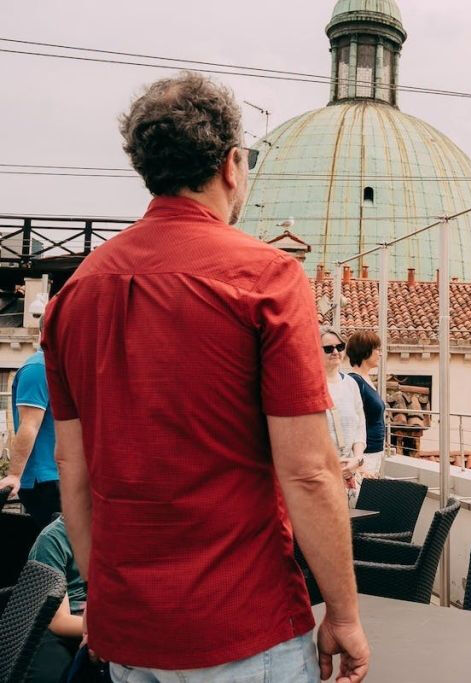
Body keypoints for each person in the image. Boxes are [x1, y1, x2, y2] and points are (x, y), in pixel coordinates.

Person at [41, 72, 369, 683]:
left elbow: (73, 465)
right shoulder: (267, 279)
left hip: (128, 633)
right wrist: (344, 613)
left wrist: (108, 607)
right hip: (244, 624)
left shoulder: (74, 296)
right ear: (232, 165)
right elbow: (307, 469)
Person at [0, 343, 60, 528]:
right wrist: (14, 475)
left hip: (63, 476)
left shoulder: (61, 367)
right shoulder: (38, 368)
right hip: (45, 481)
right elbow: (29, 425)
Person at [24, 515, 89, 683]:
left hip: (100, 623)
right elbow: (59, 622)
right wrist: (104, 630)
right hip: (59, 627)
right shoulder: (52, 540)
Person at [322, 328, 365, 498]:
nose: (335, 352)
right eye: (328, 349)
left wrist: (357, 458)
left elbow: (360, 425)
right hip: (323, 473)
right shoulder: (310, 386)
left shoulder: (351, 384)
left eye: (339, 347)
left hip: (350, 472)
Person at [345, 331, 387, 477]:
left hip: (375, 451)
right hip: (365, 455)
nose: (380, 354)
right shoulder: (356, 381)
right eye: (377, 349)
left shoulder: (366, 379)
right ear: (365, 351)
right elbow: (351, 422)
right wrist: (359, 463)